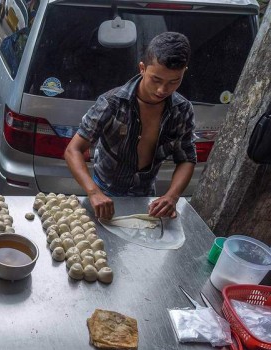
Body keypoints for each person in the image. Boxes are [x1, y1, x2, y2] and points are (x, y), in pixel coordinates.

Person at [65, 32, 196, 220]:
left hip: (146, 198)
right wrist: (93, 193)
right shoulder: (112, 103)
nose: (162, 90)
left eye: (174, 82)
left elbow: (186, 158)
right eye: (156, 80)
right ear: (142, 68)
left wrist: (171, 196)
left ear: (184, 72)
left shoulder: (182, 110)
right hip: (103, 192)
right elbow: (73, 150)